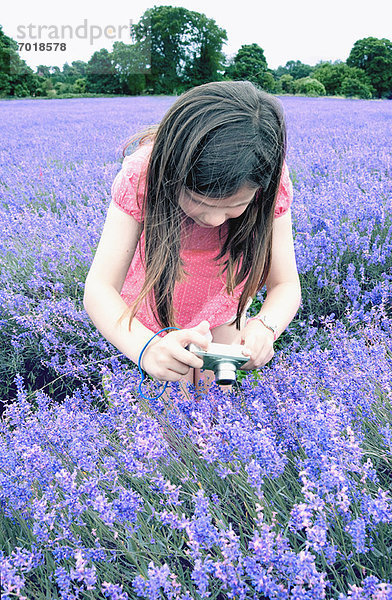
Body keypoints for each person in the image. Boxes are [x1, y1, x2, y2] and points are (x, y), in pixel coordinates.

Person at [83, 80, 301, 402]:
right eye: (199, 201)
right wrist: (147, 350)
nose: (214, 220)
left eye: (233, 207)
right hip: (157, 310)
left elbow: (286, 285)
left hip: (225, 306)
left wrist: (265, 327)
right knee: (172, 409)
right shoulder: (143, 175)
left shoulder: (268, 181)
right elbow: (99, 288)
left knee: (213, 405)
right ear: (173, 172)